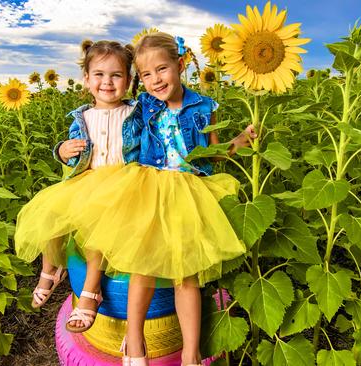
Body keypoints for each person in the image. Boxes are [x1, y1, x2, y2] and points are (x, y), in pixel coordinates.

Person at [71, 32, 256, 366]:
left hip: (190, 190)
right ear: (138, 80)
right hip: (148, 187)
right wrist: (72, 146)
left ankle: (189, 353)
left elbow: (213, 153)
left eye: (162, 69)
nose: (156, 80)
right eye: (146, 74)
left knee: (186, 277)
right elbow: (105, 115)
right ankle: (134, 340)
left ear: (180, 65)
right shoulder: (144, 105)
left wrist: (239, 142)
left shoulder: (204, 106)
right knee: (143, 266)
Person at [14, 39, 142, 334]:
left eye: (116, 75)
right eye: (98, 74)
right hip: (87, 178)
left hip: (125, 182)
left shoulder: (135, 112)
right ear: (86, 79)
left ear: (129, 80)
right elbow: (70, 153)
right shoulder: (81, 117)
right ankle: (50, 269)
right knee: (50, 210)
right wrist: (62, 151)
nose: (107, 82)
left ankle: (91, 290)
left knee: (98, 225)